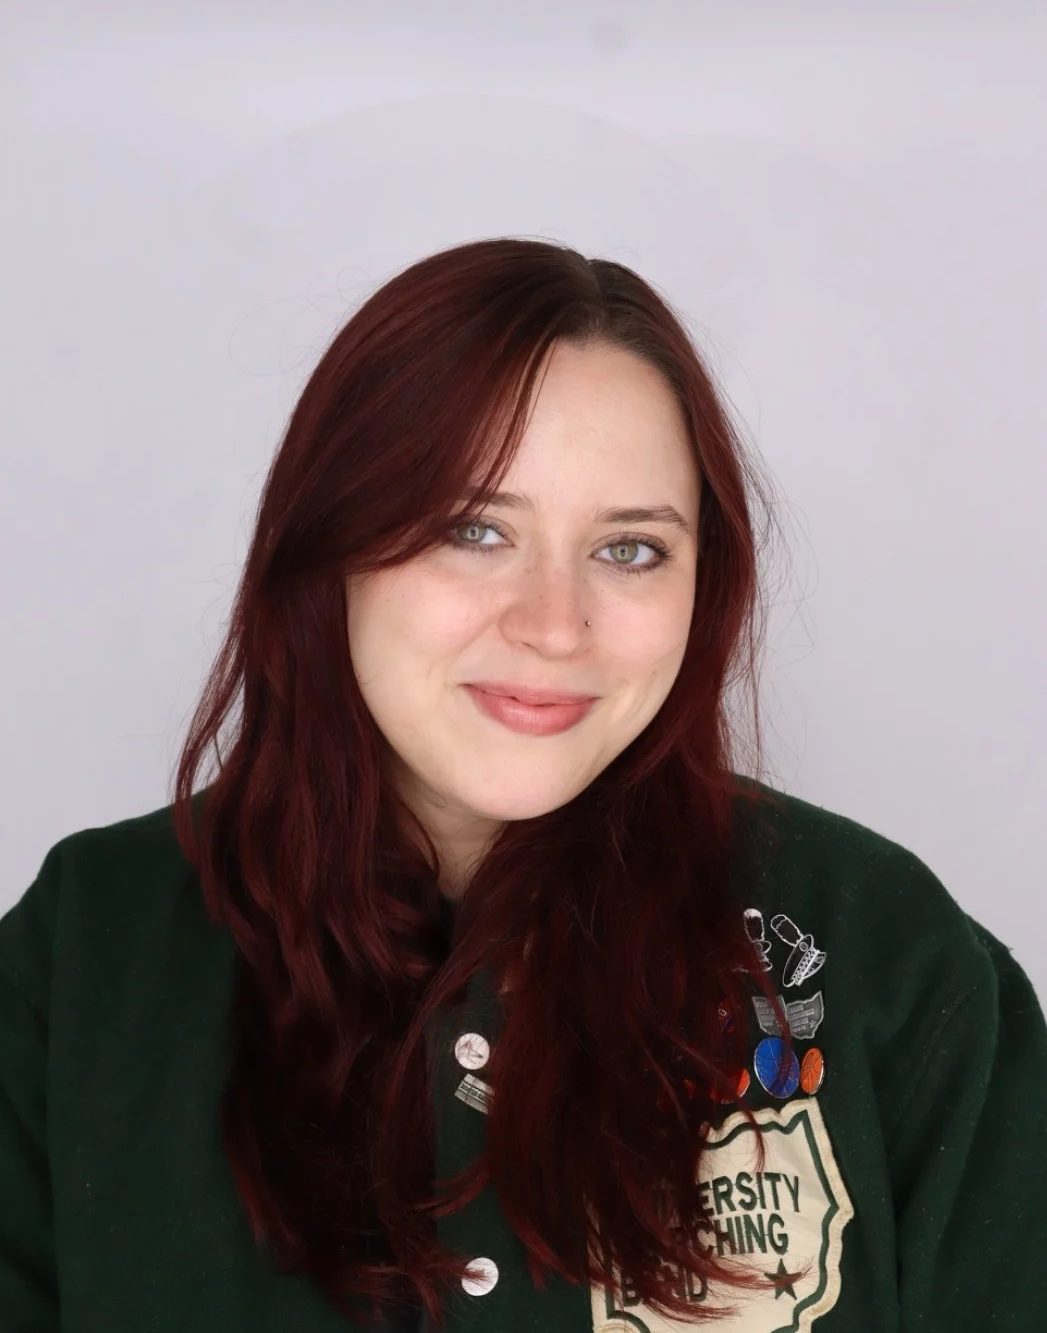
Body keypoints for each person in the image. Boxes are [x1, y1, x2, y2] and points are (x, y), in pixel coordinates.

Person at [1, 238, 1045, 1333]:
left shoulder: (886, 954)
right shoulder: (85, 958)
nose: (554, 625)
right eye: (474, 530)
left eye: (631, 549)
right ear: (331, 547)